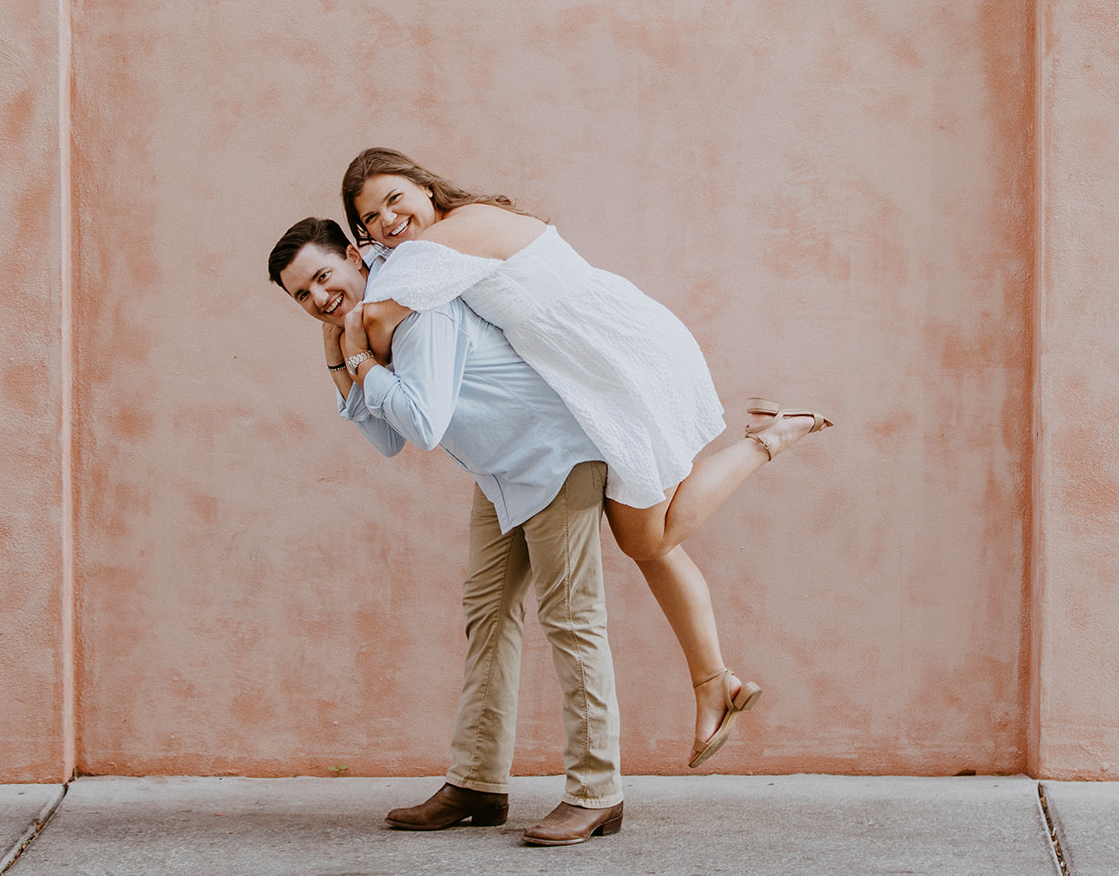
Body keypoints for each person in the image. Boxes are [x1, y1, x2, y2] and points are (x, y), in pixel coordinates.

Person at [341, 148, 833, 767]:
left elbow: (380, 321)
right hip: (588, 372)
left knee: (646, 540)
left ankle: (767, 439)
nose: (387, 220)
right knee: (648, 538)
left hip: (617, 359)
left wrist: (349, 333)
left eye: (394, 199)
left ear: (422, 186)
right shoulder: (438, 239)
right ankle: (717, 684)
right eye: (370, 218)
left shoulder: (449, 235)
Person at [269, 217, 624, 847]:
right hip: (502, 471)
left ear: (355, 257)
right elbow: (384, 439)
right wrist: (338, 358)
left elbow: (424, 424)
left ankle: (597, 793)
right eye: (302, 295)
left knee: (571, 621)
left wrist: (354, 356)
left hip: (554, 455)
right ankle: (478, 783)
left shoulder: (414, 306)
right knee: (487, 616)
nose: (320, 298)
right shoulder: (363, 324)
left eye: (323, 276)